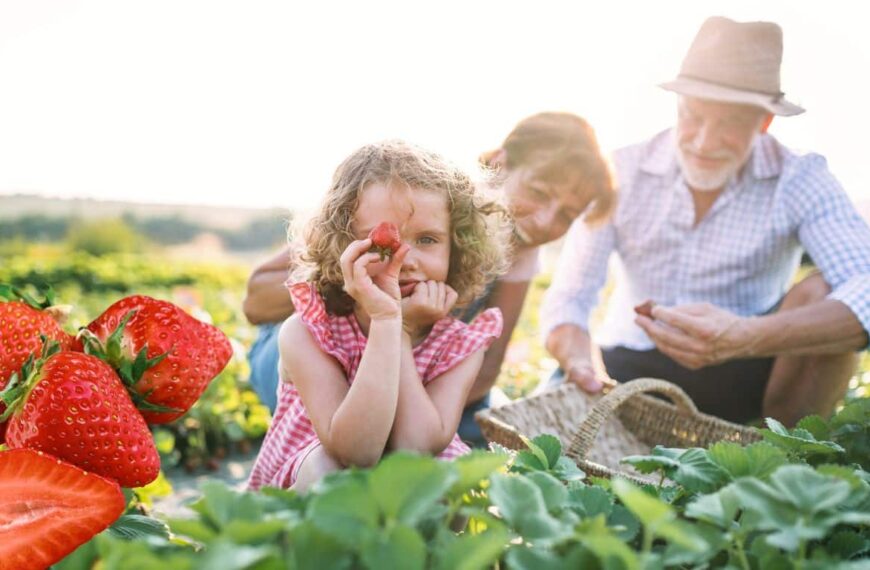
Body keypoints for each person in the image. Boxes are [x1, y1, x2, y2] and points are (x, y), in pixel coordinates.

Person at [541, 16, 870, 426]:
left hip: (749, 368)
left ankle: (787, 455)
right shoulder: (622, 171)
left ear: (764, 122)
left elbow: (865, 282)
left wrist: (746, 336)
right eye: (693, 116)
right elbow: (570, 297)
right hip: (626, 362)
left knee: (824, 289)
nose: (703, 142)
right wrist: (580, 364)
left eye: (730, 123)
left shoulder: (799, 179)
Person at [243, 112, 616, 445]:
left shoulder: (521, 249)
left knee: (490, 425)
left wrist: (411, 370)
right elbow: (255, 302)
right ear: (501, 163)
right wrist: (357, 283)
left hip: (414, 372)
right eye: (538, 193)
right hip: (324, 359)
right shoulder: (416, 196)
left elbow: (485, 371)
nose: (545, 222)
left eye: (567, 215)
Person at [247, 140, 510, 491]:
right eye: (383, 245)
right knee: (332, 472)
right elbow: (355, 452)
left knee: (451, 477)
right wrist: (388, 322)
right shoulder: (308, 332)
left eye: (428, 240)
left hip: (403, 488)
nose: (407, 259)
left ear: (458, 246)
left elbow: (416, 449)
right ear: (343, 247)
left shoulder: (460, 345)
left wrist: (400, 333)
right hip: (313, 490)